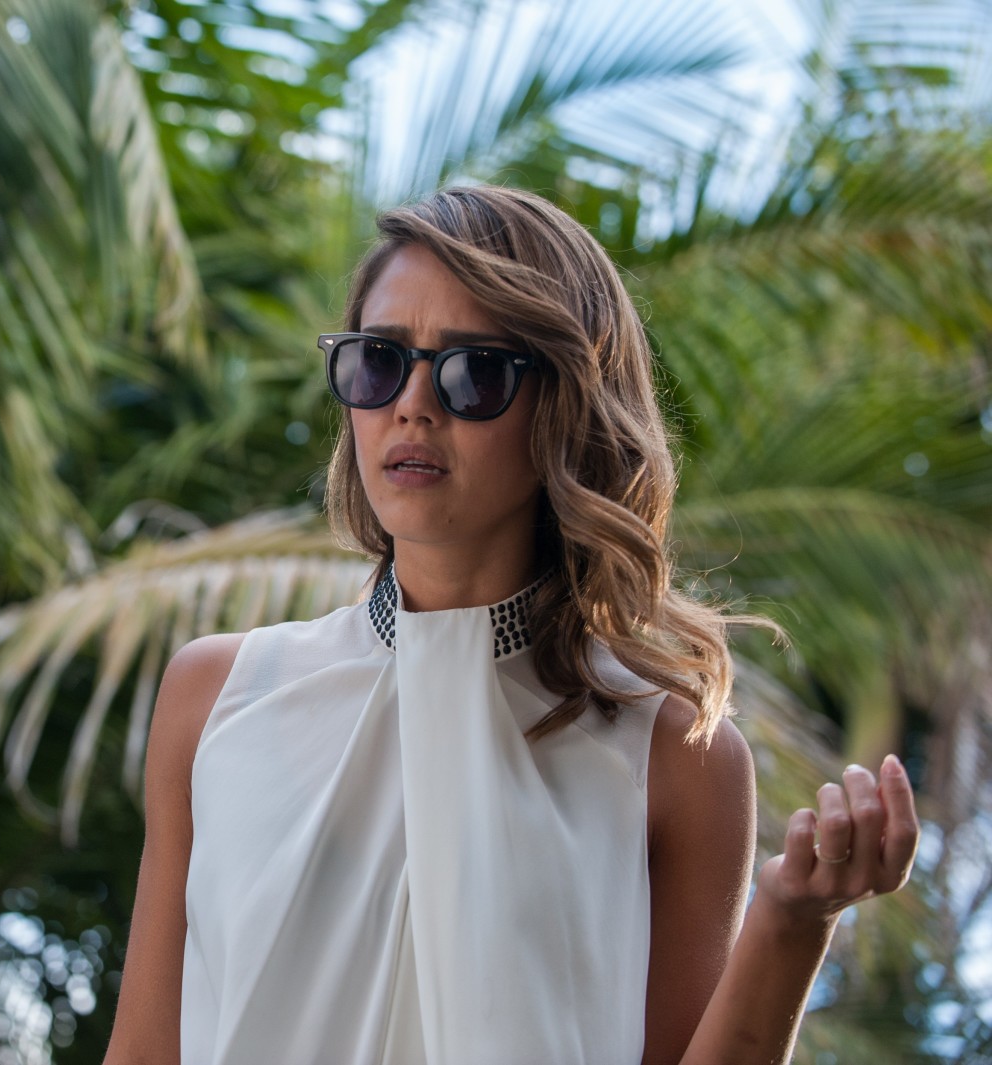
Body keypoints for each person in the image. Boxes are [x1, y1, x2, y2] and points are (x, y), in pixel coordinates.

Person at [101, 184, 920, 1065]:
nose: (413, 404)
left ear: (566, 409)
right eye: (379, 360)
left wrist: (796, 922)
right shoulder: (217, 697)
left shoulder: (673, 752)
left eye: (475, 371)